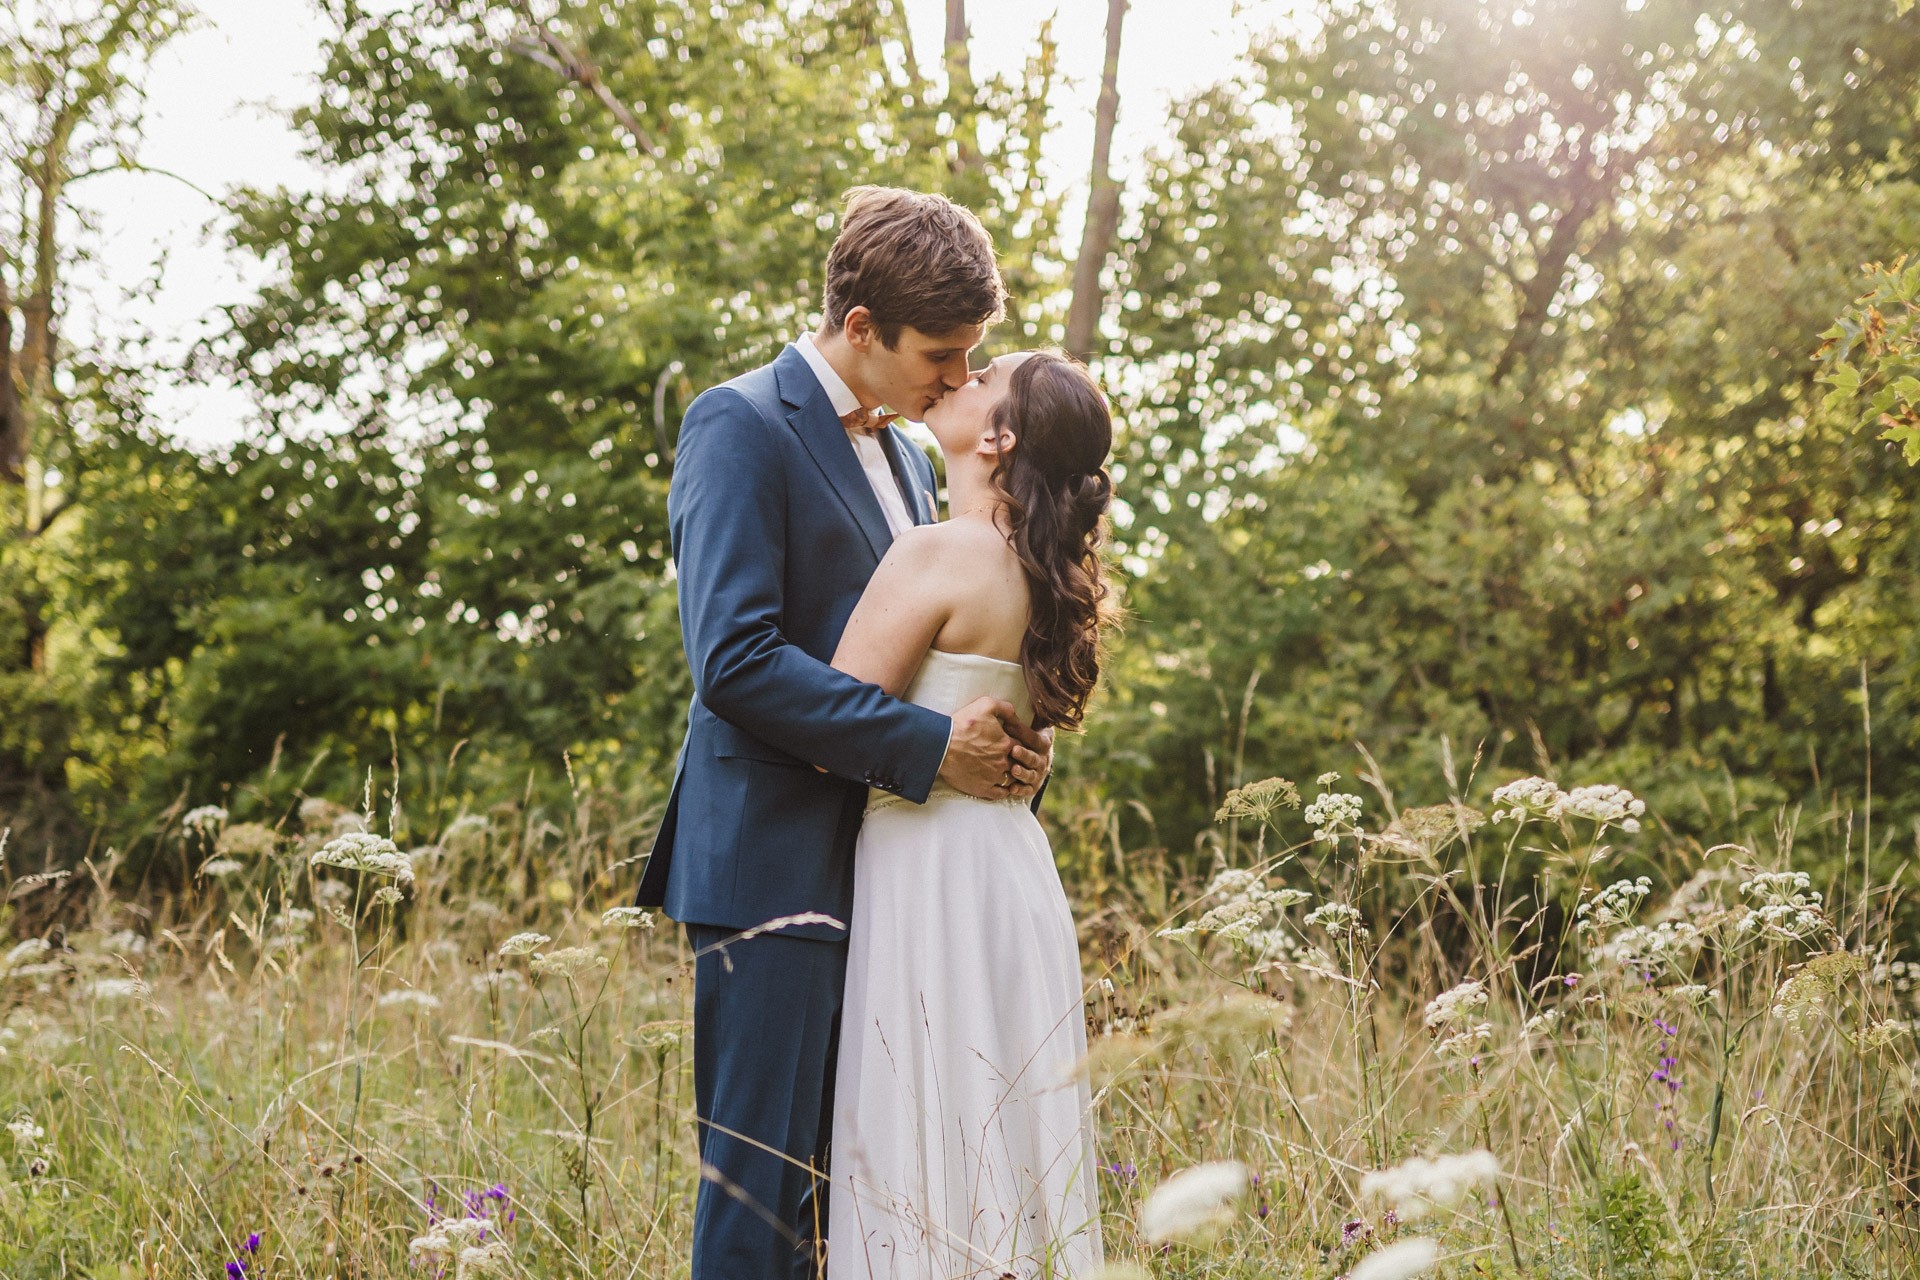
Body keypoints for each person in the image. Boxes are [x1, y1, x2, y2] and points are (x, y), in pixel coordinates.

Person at [635, 186, 1054, 1280]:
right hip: (771, 869)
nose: (960, 380)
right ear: (860, 328)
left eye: (974, 356)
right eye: (943, 354)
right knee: (762, 1199)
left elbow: (923, 651)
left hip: (897, 877)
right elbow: (733, 659)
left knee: (867, 1193)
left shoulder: (914, 461)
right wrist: (927, 747)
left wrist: (997, 753)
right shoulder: (736, 422)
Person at [826, 349, 1115, 1279]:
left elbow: (829, 719)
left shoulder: (937, 552)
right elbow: (1027, 736)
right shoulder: (1049, 576)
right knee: (1009, 1136)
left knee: (924, 1123)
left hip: (926, 869)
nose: (957, 377)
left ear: (999, 438)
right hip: (1013, 874)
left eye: (982, 376)